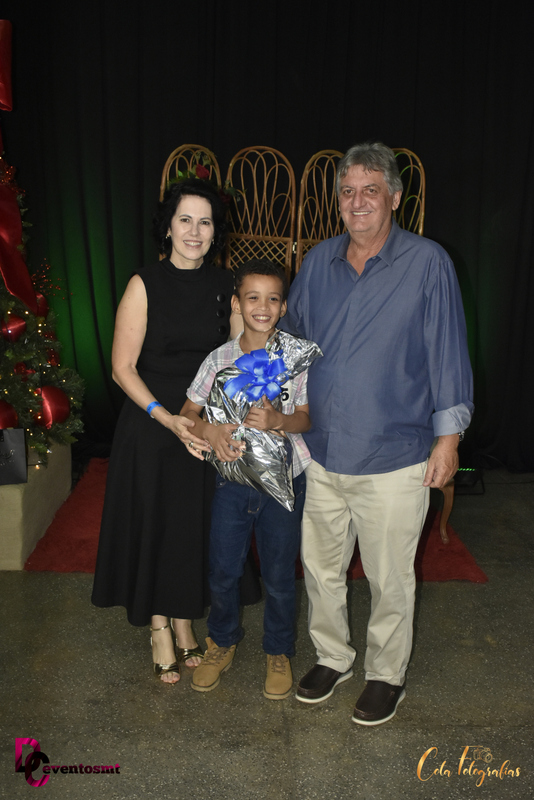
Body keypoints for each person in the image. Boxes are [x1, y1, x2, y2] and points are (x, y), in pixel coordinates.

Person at [279, 142, 474, 724]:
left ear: (394, 197)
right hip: (322, 452)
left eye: (370, 190)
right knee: (321, 570)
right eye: (347, 191)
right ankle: (333, 657)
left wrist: (448, 440)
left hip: (395, 456)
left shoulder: (428, 262)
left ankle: (387, 675)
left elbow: (448, 354)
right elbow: (290, 343)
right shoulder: (318, 262)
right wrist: (242, 387)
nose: (358, 201)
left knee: (391, 579)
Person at [91, 178, 235, 684]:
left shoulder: (226, 286)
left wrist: (211, 421)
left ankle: (184, 617)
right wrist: (166, 416)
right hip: (152, 420)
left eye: (205, 221)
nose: (194, 231)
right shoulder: (144, 283)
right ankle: (159, 625)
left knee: (191, 525)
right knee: (157, 522)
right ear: (168, 227)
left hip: (202, 423)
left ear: (215, 231)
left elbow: (236, 363)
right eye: (185, 219)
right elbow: (122, 368)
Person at [180, 259, 311, 699]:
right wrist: (210, 431)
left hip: (285, 481)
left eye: (273, 299)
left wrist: (279, 420)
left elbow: (306, 418)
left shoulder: (294, 357)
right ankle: (221, 641)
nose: (263, 306)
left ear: (284, 306)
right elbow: (188, 413)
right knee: (223, 569)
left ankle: (279, 650)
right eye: (252, 297)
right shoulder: (219, 359)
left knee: (279, 574)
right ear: (237, 303)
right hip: (233, 483)